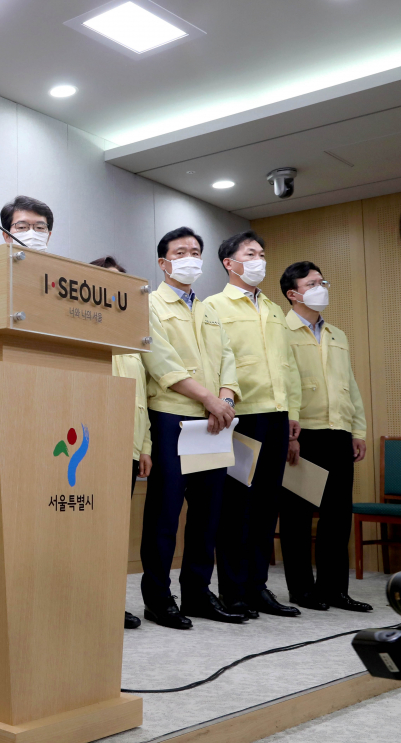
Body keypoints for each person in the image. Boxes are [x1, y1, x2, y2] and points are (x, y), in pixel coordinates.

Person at [140, 228, 246, 629]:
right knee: (166, 512)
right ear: (163, 262)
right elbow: (161, 362)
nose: (190, 258)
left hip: (214, 420)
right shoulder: (149, 304)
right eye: (180, 252)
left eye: (195, 252)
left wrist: (226, 399)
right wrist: (208, 399)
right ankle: (158, 597)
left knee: (208, 512)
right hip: (172, 416)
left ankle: (199, 594)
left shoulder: (209, 309)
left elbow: (229, 360)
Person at [203, 231, 302, 619]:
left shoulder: (274, 309)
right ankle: (233, 590)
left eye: (262, 253)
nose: (260, 259)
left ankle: (258, 586)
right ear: (230, 263)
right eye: (251, 254)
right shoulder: (213, 306)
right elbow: (217, 363)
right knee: (236, 507)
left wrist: (292, 412)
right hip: (241, 415)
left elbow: (287, 366)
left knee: (265, 505)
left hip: (277, 415)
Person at [277, 262, 372, 612]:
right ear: (293, 293)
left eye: (323, 281)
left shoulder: (337, 334)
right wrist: (289, 431)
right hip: (304, 434)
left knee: (337, 515)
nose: (321, 287)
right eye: (312, 283)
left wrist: (356, 429)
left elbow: (350, 385)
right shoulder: (280, 331)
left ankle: (335, 590)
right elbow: (283, 385)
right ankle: (302, 590)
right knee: (298, 516)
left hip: (339, 433)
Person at [92, 256, 149, 631]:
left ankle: (112, 604)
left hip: (129, 447)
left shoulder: (132, 337)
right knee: (91, 532)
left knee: (114, 535)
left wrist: (145, 447)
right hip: (94, 448)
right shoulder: (83, 331)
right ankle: (90, 604)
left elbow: (141, 397)